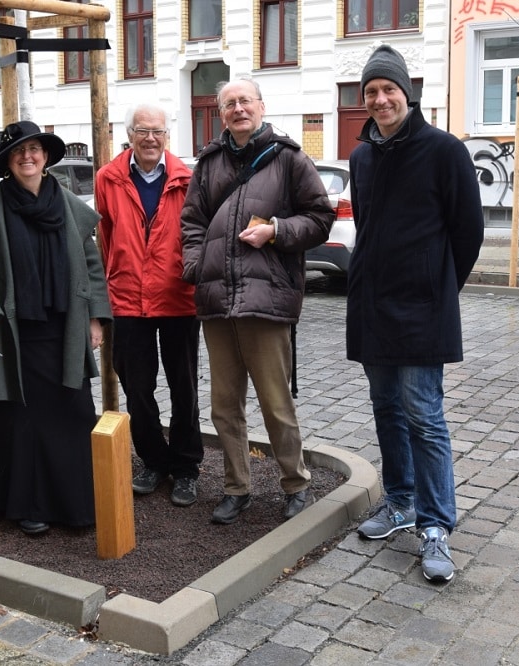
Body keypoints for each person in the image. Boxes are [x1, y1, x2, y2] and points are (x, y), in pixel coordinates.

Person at [348, 45, 484, 584]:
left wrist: (439, 285)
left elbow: (467, 233)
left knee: (424, 416)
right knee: (386, 409)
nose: (381, 99)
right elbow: (367, 227)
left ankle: (435, 526)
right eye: (372, 92)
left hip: (424, 308)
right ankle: (399, 501)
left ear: (408, 93)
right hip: (373, 308)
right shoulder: (361, 157)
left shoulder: (444, 151)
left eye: (389, 89)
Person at [180, 76, 334, 525]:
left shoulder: (288, 159)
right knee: (224, 406)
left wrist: (278, 232)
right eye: (229, 104)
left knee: (275, 402)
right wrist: (194, 265)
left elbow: (320, 217)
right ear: (221, 113)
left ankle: (295, 483)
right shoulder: (208, 164)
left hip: (266, 300)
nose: (238, 109)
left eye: (245, 101)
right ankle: (236, 487)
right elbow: (191, 221)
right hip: (215, 300)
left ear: (261, 107)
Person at [0, 120, 111, 536]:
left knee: (72, 413)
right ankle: (28, 506)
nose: (28, 156)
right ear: (7, 162)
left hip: (64, 331)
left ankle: (75, 503)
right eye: (19, 152)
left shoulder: (67, 205)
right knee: (19, 421)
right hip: (13, 336)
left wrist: (96, 316)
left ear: (45, 157)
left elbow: (92, 267)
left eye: (35, 150)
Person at [94, 104, 202, 508]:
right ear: (130, 135)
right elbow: (104, 235)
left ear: (167, 135)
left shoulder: (188, 178)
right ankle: (154, 461)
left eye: (157, 131)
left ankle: (187, 467)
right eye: (142, 131)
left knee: (184, 387)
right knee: (137, 389)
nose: (151, 138)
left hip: (178, 298)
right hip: (127, 301)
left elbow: (196, 234)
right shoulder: (109, 177)